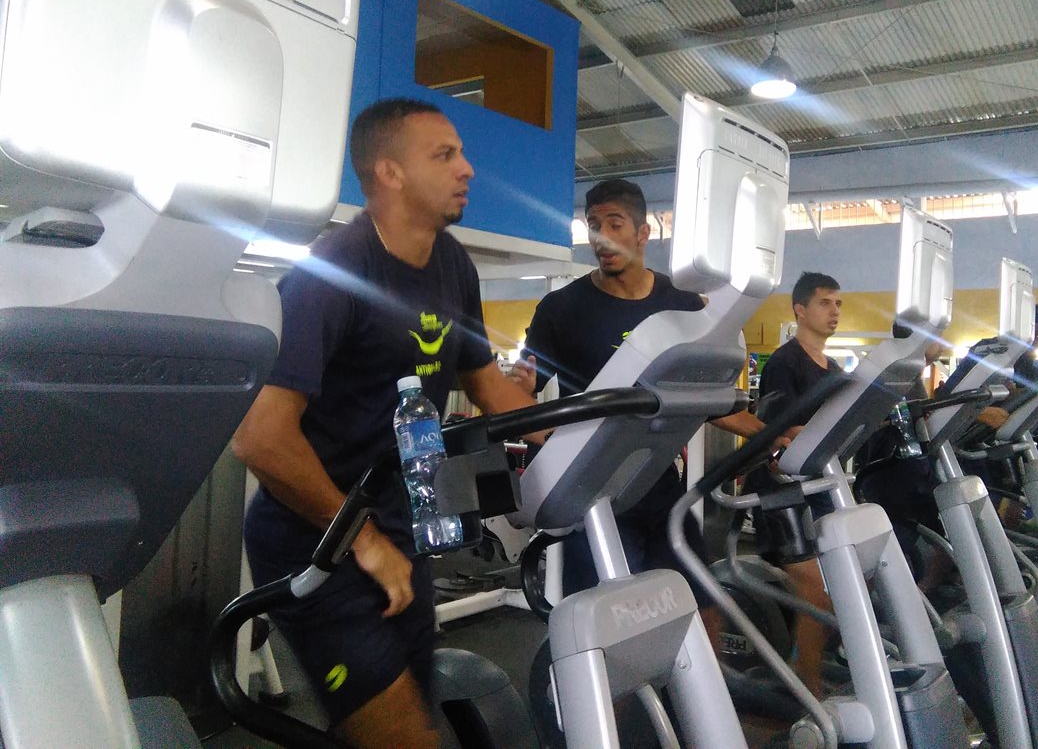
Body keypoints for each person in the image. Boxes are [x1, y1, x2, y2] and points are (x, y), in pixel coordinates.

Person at [233, 98, 539, 749]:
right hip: (318, 540)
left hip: (402, 532)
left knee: (408, 715)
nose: (469, 169)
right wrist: (363, 540)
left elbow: (487, 387)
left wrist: (593, 430)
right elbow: (259, 434)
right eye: (445, 155)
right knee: (401, 734)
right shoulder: (337, 268)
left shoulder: (453, 264)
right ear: (390, 173)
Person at [509, 177, 782, 646]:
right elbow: (520, 395)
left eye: (614, 224)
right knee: (607, 629)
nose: (601, 238)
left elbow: (702, 398)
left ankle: (699, 716)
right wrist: (550, 440)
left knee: (702, 608)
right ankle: (602, 716)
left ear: (643, 232)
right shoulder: (561, 309)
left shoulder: (681, 304)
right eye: (593, 225)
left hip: (657, 481)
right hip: (590, 489)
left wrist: (768, 436)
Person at [744, 271, 846, 697]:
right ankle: (806, 684)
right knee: (814, 589)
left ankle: (807, 658)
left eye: (838, 303)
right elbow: (781, 429)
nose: (834, 311)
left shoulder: (836, 367)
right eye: (825, 303)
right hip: (779, 489)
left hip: (818, 485)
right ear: (800, 309)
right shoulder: (786, 362)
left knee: (850, 578)